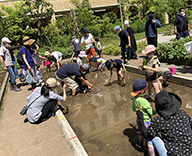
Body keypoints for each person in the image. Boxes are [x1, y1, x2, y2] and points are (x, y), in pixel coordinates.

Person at [137, 91, 192, 156]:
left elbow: (146, 135)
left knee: (151, 136)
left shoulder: (159, 121)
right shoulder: (183, 113)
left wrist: (141, 119)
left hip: (172, 154)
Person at [131, 79, 156, 152]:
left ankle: (140, 142)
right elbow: (151, 112)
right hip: (146, 121)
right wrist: (157, 110)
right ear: (143, 91)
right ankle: (145, 147)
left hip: (139, 119)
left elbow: (133, 109)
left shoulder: (134, 99)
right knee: (146, 136)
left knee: (140, 133)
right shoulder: (144, 101)